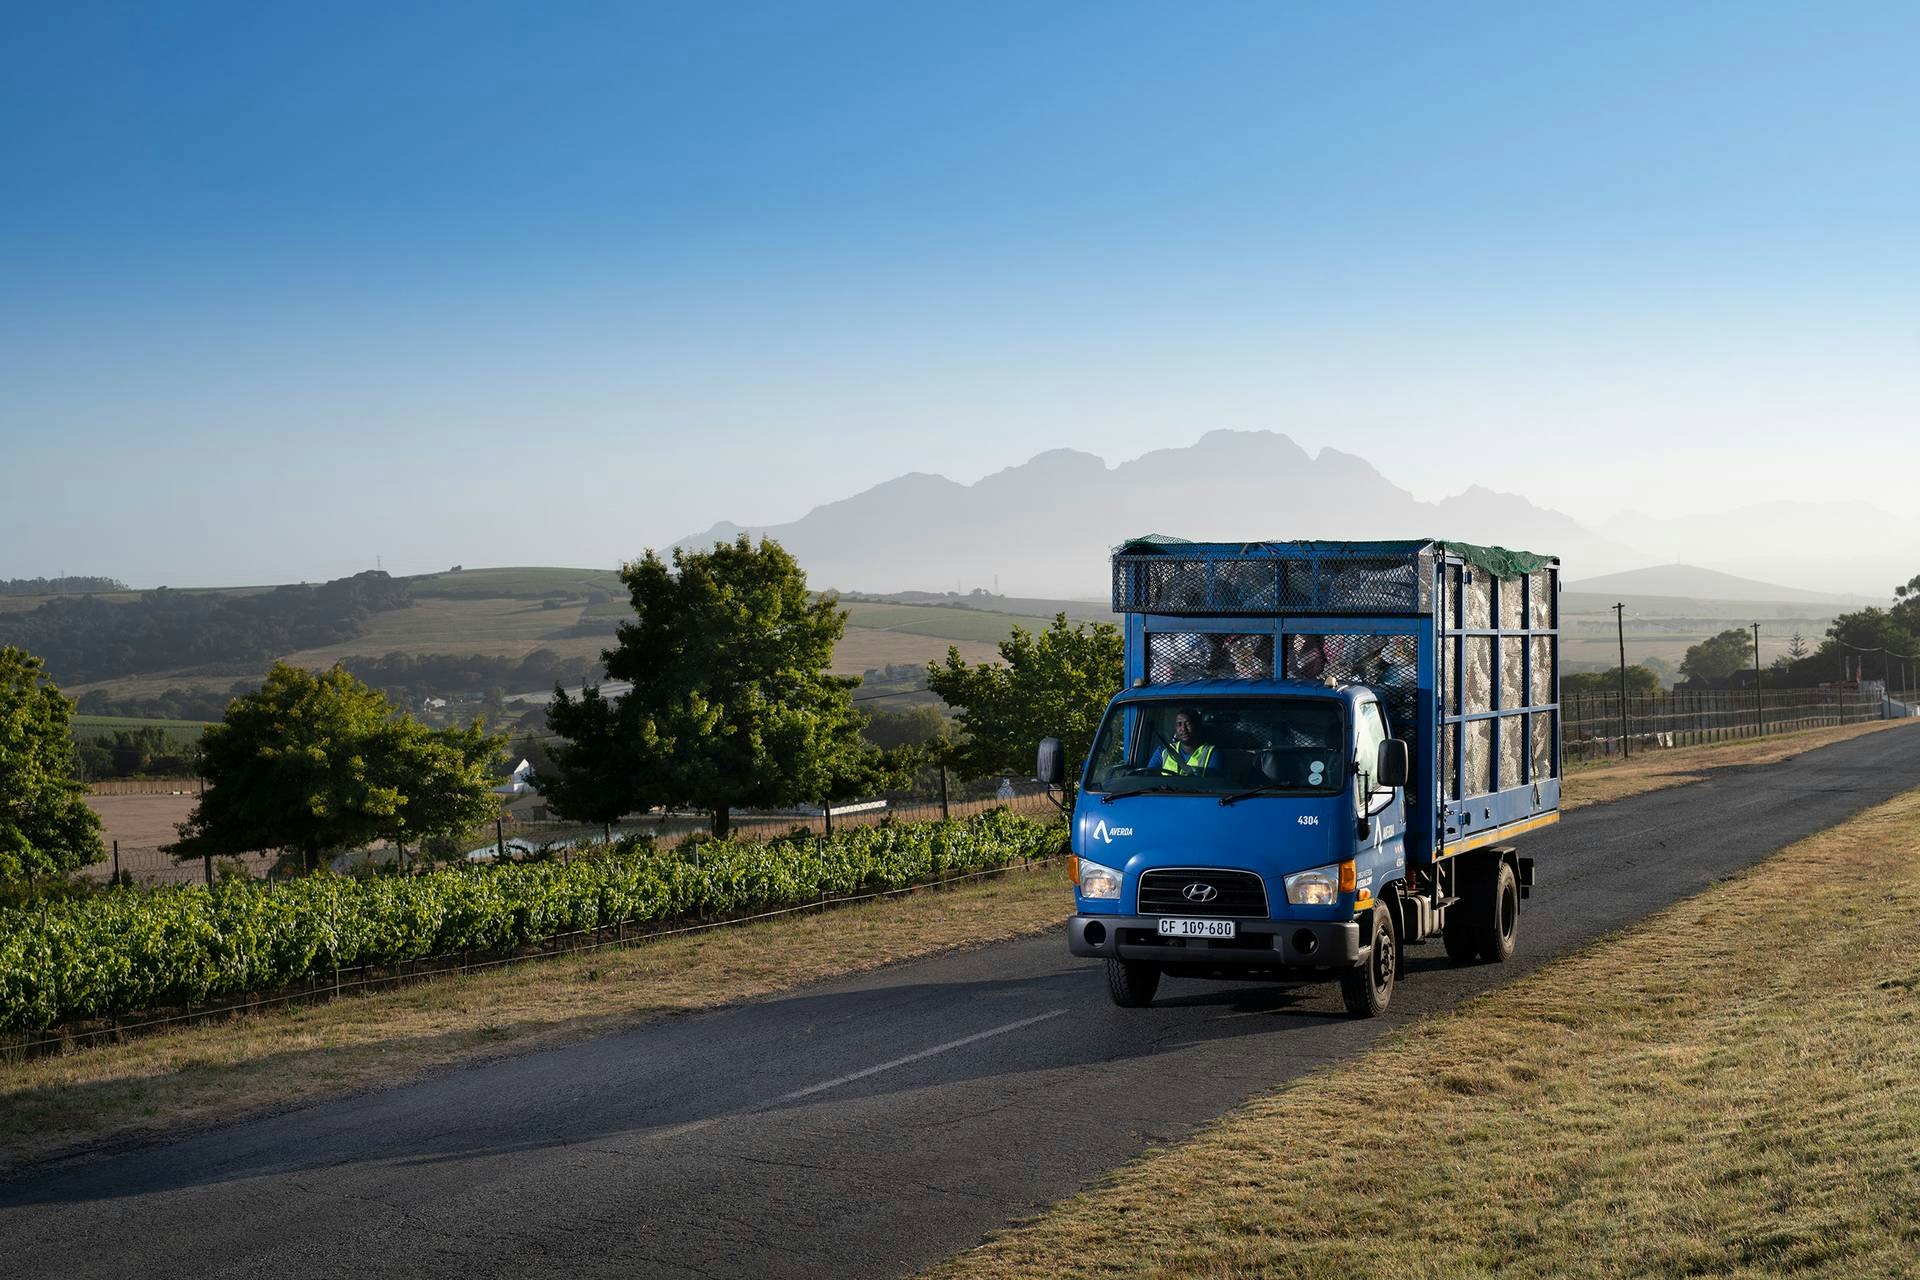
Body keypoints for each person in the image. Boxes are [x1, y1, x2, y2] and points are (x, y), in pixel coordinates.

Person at [1147, 708, 1217, 775]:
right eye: (1179, 724)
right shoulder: (1163, 751)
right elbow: (1149, 778)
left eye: (1188, 724)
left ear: (1197, 726)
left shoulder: (1212, 753)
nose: (1183, 729)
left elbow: (1212, 784)